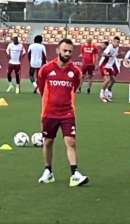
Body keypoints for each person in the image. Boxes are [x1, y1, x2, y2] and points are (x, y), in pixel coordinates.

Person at [37, 38, 88, 187]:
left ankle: (75, 173)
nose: (67, 53)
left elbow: (76, 86)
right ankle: (48, 171)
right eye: (64, 50)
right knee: (48, 142)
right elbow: (41, 88)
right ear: (57, 50)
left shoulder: (75, 71)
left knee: (71, 142)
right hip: (49, 113)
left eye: (70, 51)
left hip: (67, 113)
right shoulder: (46, 69)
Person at [99, 37, 121, 103]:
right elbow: (103, 54)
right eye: (116, 42)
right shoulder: (109, 47)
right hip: (104, 65)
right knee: (107, 79)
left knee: (113, 81)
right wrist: (110, 55)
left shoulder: (117, 48)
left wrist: (117, 55)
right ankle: (101, 94)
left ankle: (106, 92)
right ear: (113, 41)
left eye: (118, 42)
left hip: (109, 66)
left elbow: (114, 56)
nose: (117, 43)